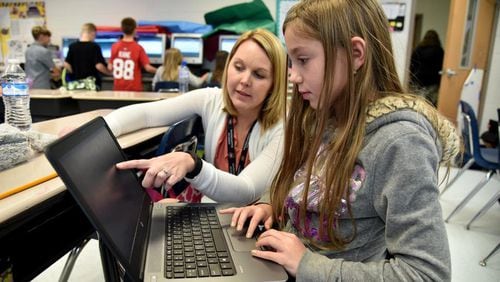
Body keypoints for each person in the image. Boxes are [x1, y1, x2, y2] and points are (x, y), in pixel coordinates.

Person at [220, 0, 461, 280]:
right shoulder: (322, 115)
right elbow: (303, 185)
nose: (293, 76)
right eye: (291, 61)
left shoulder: (400, 143)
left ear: (355, 54)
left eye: (303, 60)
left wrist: (308, 264)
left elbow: (427, 273)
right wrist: (270, 204)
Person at [104, 28, 287, 204]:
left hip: (250, 222)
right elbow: (147, 114)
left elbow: (248, 190)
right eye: (238, 67)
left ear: (274, 83)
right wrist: (100, 130)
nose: (245, 80)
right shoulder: (212, 99)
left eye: (259, 75)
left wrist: (194, 164)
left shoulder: (282, 127)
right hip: (212, 210)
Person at [108, 17, 157, 91]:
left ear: (121, 29)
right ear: (135, 30)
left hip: (118, 89)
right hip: (134, 89)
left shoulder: (114, 46)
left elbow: (110, 67)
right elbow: (148, 68)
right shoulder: (138, 48)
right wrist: (161, 71)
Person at [64, 23, 111, 90]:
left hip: (77, 84)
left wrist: (75, 73)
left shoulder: (72, 46)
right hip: (92, 85)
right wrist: (109, 73)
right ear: (92, 33)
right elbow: (99, 66)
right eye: (95, 35)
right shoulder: (94, 47)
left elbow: (66, 64)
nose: (94, 37)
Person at [409, 29, 444, 106]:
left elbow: (412, 65)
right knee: (430, 104)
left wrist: (411, 78)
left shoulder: (418, 49)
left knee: (417, 104)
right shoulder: (439, 51)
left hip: (418, 79)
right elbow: (441, 67)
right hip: (432, 81)